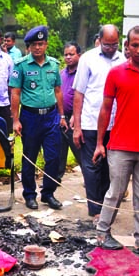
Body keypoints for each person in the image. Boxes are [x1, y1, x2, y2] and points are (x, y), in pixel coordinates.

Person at [93, 25, 139, 262]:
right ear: (127, 46)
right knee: (115, 192)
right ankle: (103, 233)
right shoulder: (116, 73)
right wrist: (99, 143)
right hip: (120, 145)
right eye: (134, 45)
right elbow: (105, 109)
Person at [72, 25, 126, 221]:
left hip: (115, 123)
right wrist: (77, 127)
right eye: (106, 44)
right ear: (99, 40)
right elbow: (79, 93)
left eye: (114, 44)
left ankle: (106, 207)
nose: (110, 48)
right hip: (91, 121)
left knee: (110, 168)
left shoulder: (124, 60)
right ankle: (95, 209)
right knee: (92, 166)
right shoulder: (88, 59)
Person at [10, 25, 66, 210]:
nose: (37, 48)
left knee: (53, 157)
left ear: (46, 45)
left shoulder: (54, 65)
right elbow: (15, 93)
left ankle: (48, 194)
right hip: (30, 117)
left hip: (50, 117)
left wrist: (62, 115)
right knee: (30, 157)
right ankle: (29, 195)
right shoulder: (21, 65)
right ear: (29, 46)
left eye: (41, 44)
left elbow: (58, 91)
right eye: (34, 44)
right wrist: (16, 120)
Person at [57, 42, 82, 183]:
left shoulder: (82, 73)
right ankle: (55, 178)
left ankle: (93, 180)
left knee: (79, 151)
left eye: (71, 54)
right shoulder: (62, 73)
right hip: (61, 117)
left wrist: (75, 116)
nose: (68, 57)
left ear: (79, 55)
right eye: (66, 54)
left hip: (76, 119)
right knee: (59, 150)